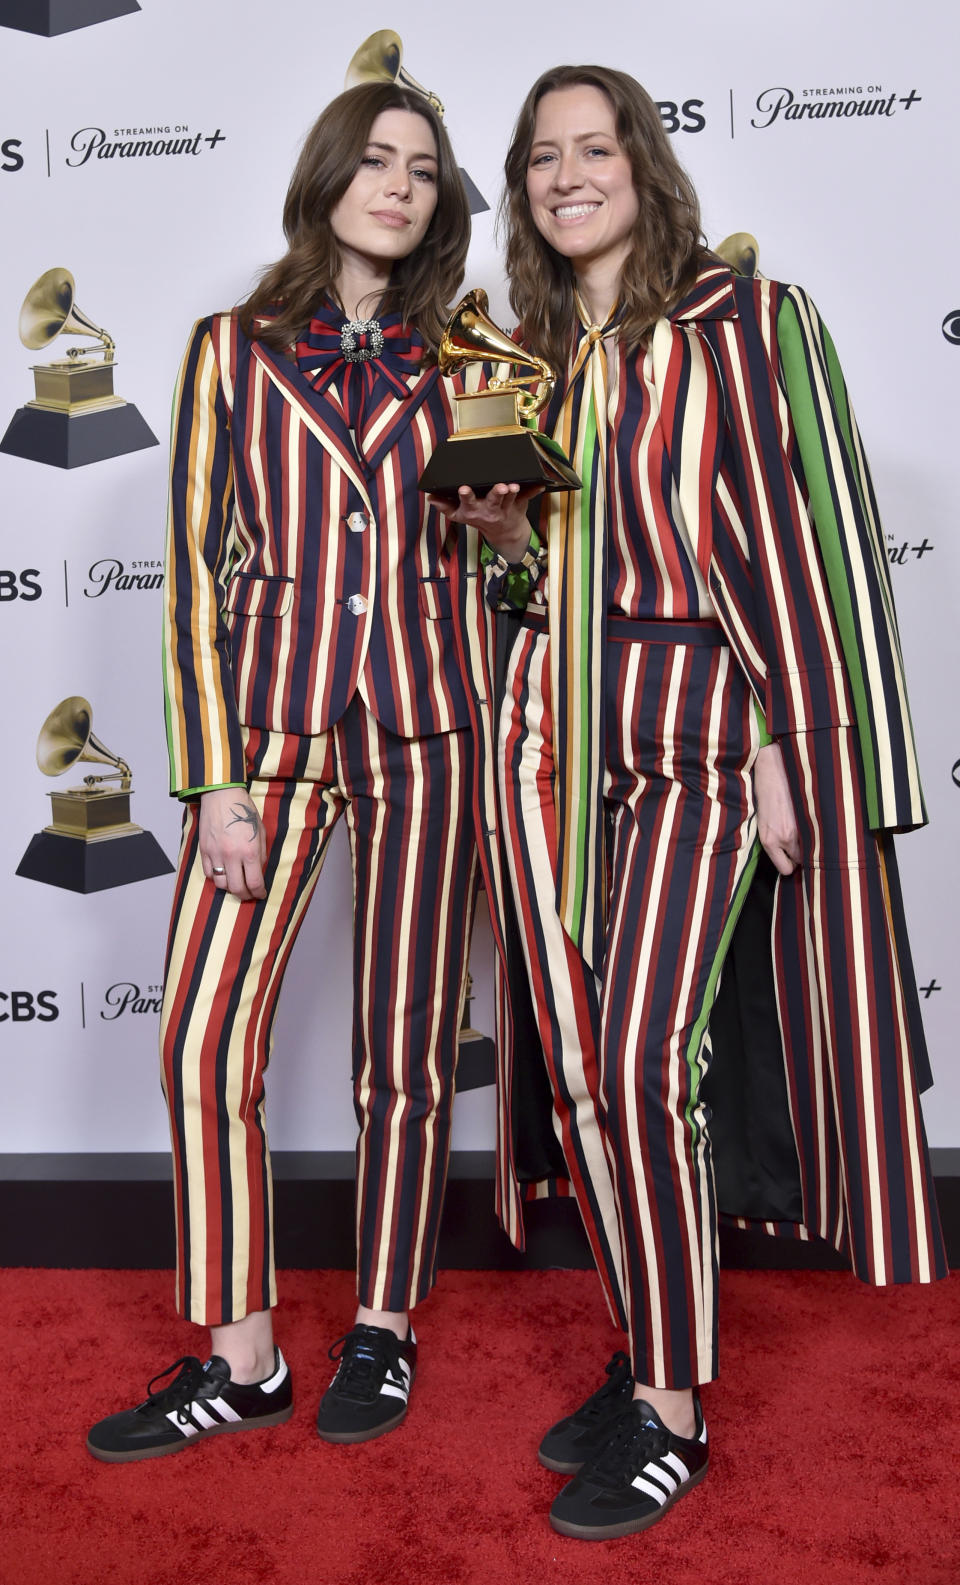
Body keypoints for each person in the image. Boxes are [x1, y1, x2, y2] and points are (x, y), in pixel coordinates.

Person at [444, 64, 946, 1539]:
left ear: (643, 166)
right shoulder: (523, 357)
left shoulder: (742, 323)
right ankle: (647, 1342)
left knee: (656, 1058)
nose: (563, 174)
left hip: (701, 742)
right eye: (542, 156)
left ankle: (672, 1414)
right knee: (589, 1073)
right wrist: (497, 539)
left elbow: (800, 549)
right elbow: (546, 589)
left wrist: (799, 738)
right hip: (546, 738)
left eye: (592, 148)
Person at [86, 80, 479, 1461]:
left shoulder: (473, 349)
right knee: (202, 1036)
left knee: (406, 1047)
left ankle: (385, 1319)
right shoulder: (230, 348)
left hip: (430, 727)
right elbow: (196, 571)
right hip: (269, 736)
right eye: (376, 159)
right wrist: (210, 777)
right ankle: (240, 1353)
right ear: (325, 174)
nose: (400, 184)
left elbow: (516, 552)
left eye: (424, 169)